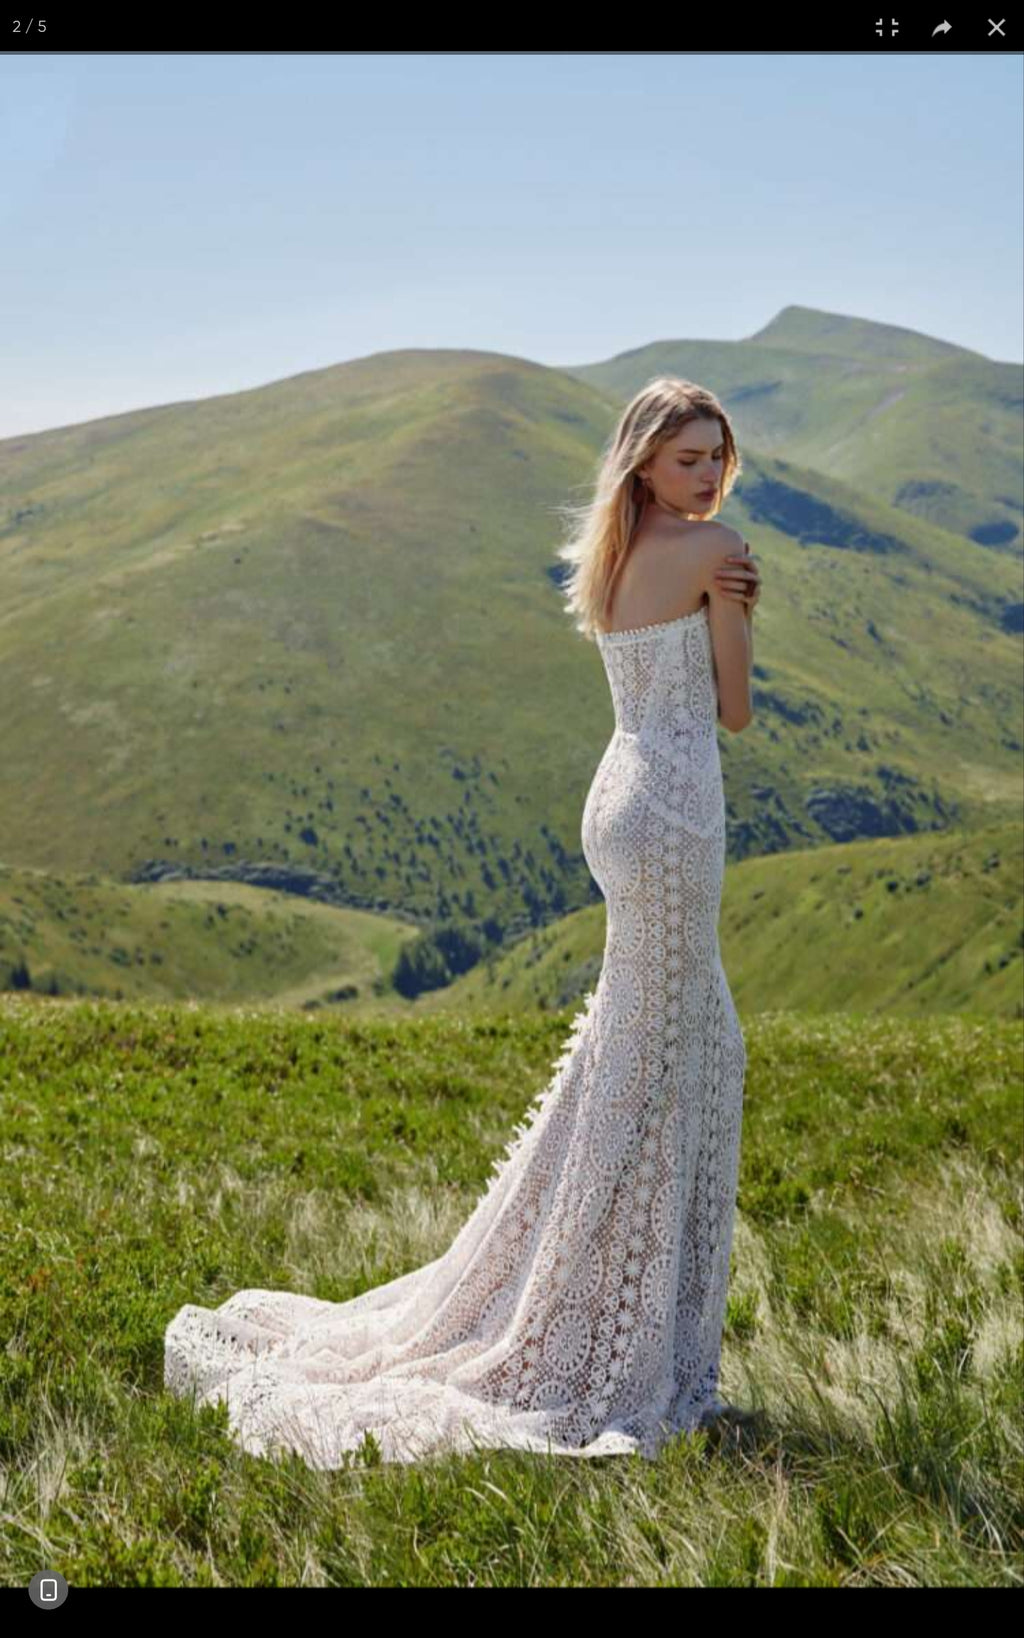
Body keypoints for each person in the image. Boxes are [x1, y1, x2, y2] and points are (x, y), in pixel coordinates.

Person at [163, 375, 761, 1468]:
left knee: (655, 1051)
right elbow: (732, 707)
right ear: (644, 463)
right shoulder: (711, 551)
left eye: (717, 455)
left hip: (621, 792)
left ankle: (584, 1297)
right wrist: (739, 610)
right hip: (674, 808)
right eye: (689, 457)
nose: (710, 474)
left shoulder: (616, 552)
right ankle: (612, 1341)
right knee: (675, 1058)